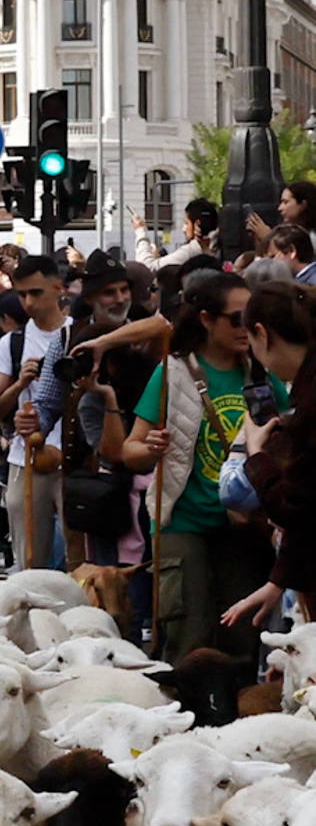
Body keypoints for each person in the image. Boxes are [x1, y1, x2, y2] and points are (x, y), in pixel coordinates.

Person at [121, 270, 274, 665]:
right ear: (206, 319)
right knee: (187, 635)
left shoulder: (264, 372)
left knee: (241, 637)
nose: (247, 328)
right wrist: (150, 447)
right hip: (181, 523)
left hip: (244, 525)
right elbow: (129, 449)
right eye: (235, 319)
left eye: (253, 318)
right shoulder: (173, 372)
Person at [224, 282, 316, 630]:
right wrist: (278, 581)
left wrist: (256, 452)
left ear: (261, 333)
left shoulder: (310, 405)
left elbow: (294, 506)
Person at [0, 252, 70, 570]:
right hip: (26, 460)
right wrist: (20, 384)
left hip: (73, 459)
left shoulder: (78, 333)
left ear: (58, 288)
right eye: (21, 294)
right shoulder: (13, 342)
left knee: (79, 562)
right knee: (29, 561)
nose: (28, 302)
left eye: (36, 292)